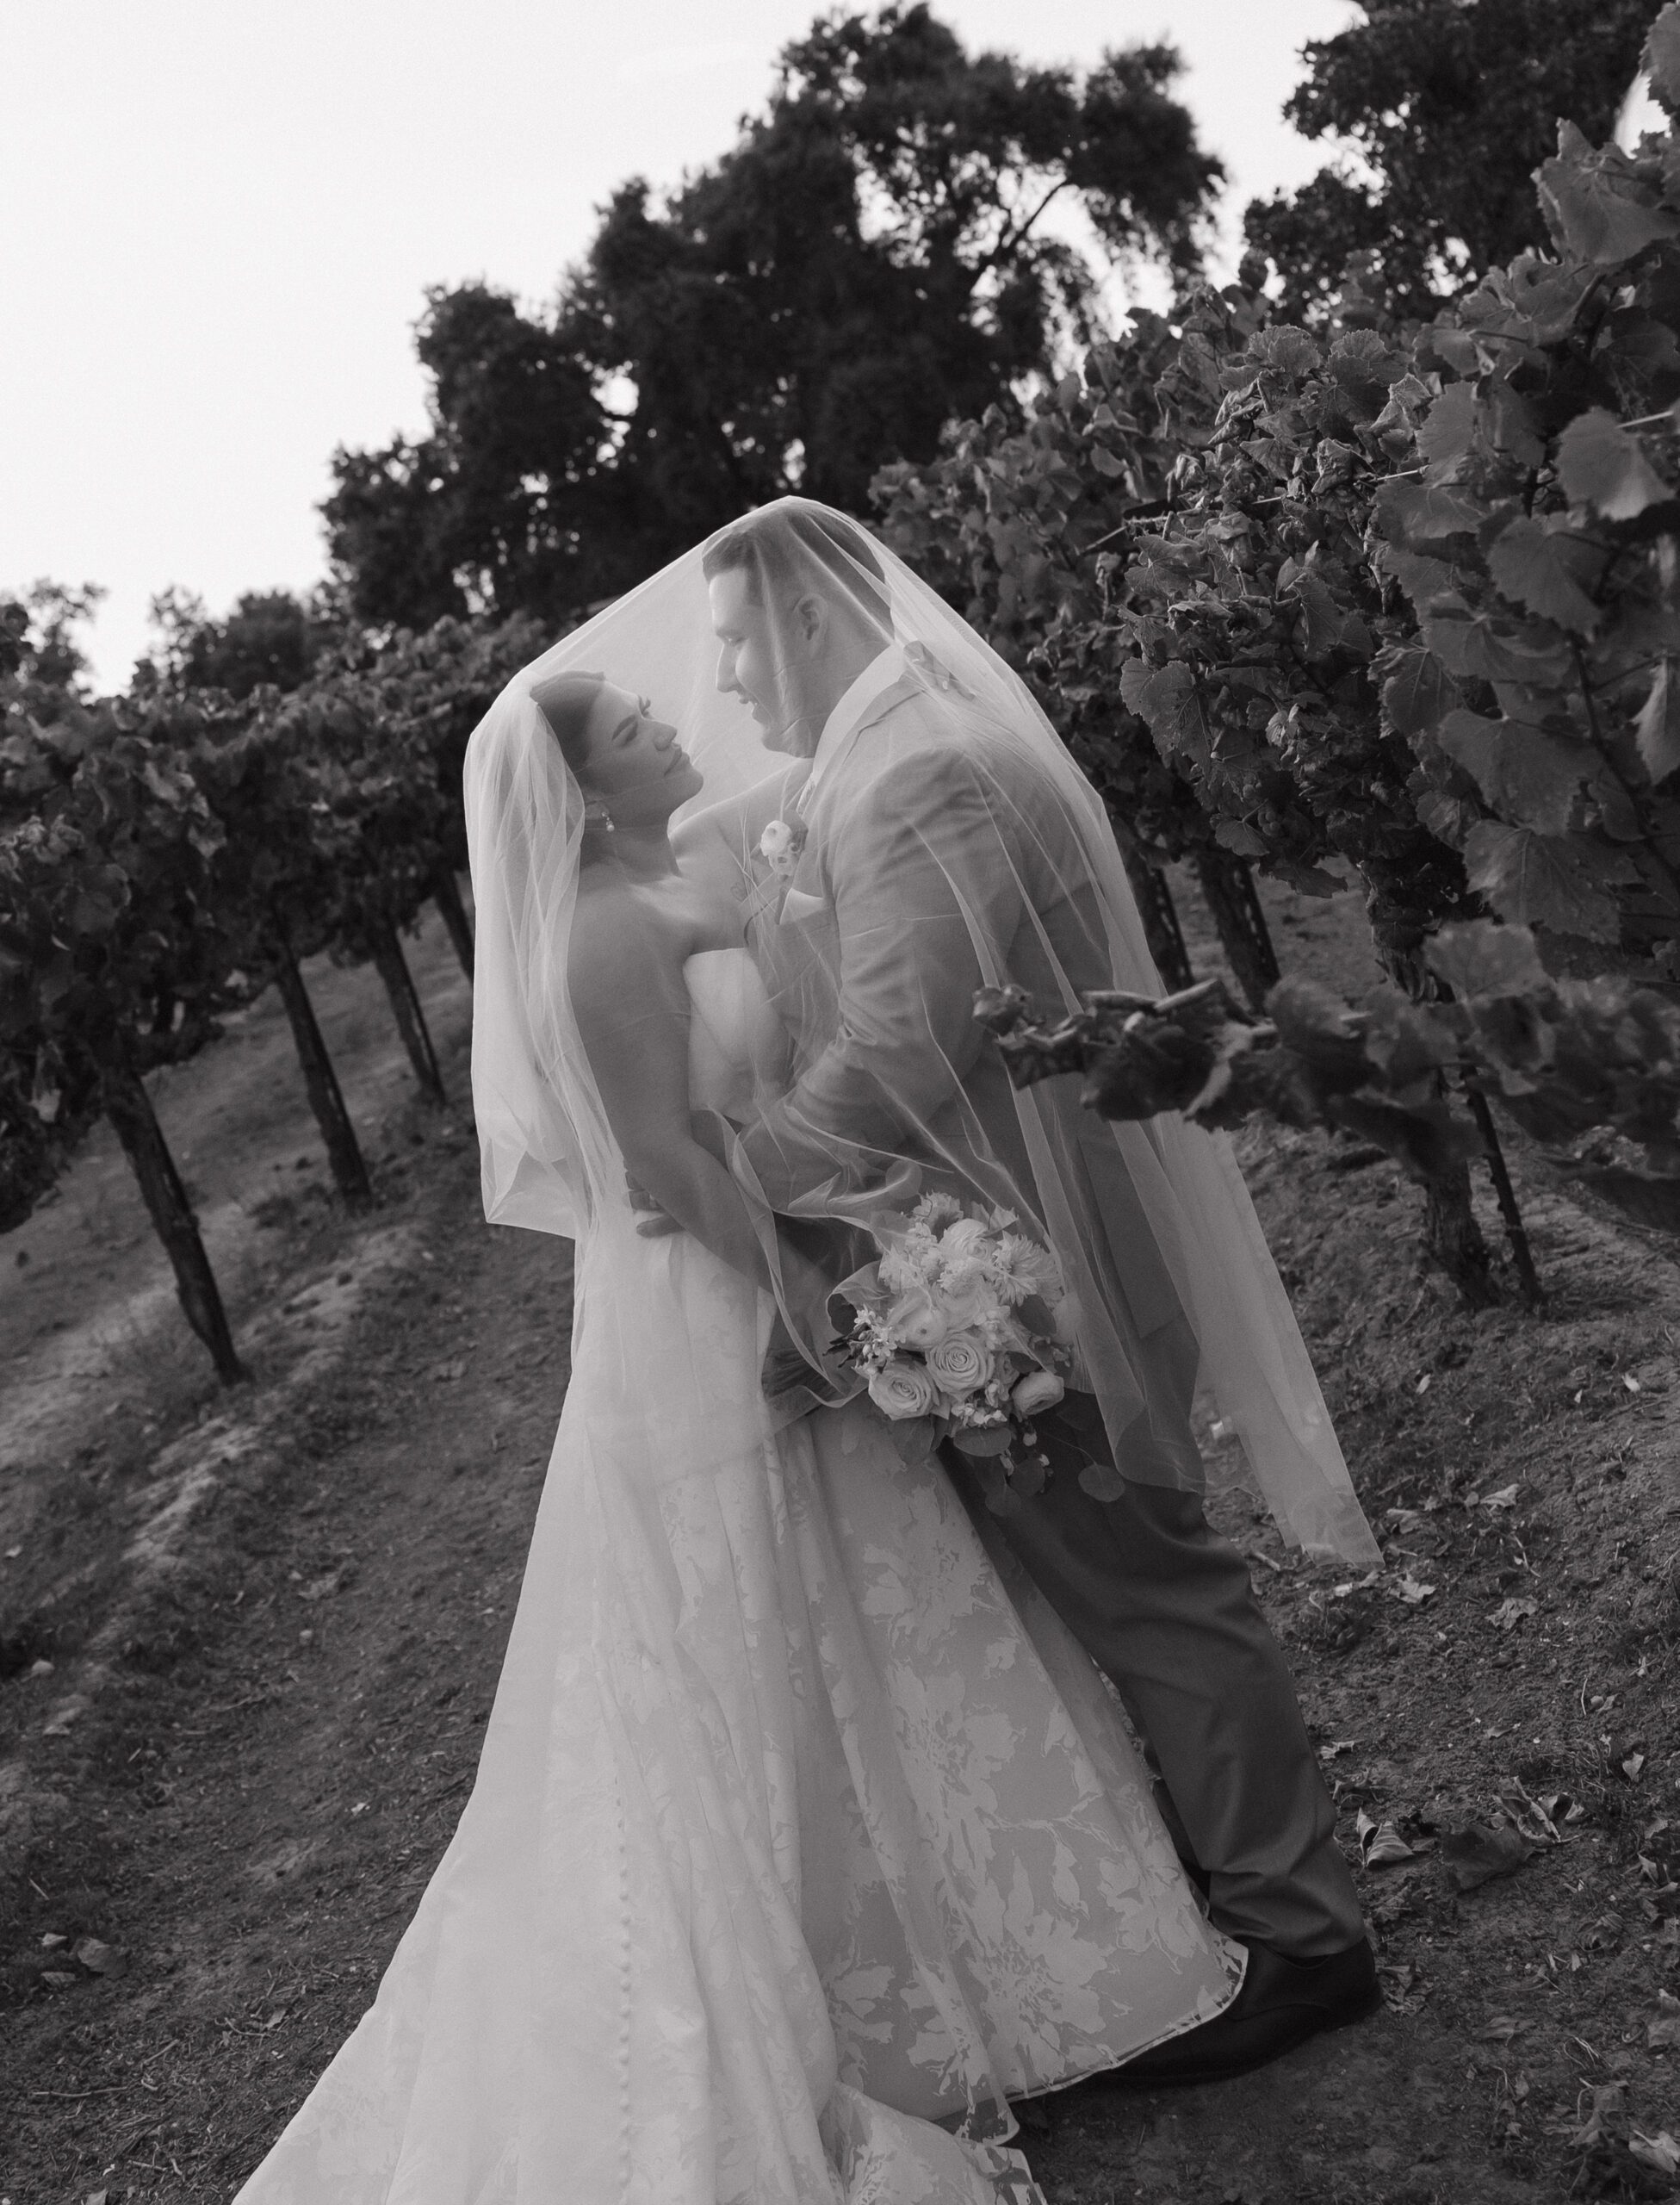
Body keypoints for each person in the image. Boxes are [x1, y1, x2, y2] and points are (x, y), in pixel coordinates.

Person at [229, 639, 1255, 2205]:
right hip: (715, 1305)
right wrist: (810, 1298)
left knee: (880, 1606)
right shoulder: (597, 939)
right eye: (637, 729)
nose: (669, 722)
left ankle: (992, 1959)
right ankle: (849, 2003)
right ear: (579, 803)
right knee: (766, 1627)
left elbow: (819, 808)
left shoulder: (689, 865)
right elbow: (664, 1164)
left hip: (796, 1253)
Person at [667, 500, 1383, 2086]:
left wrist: (739, 1172)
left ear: (796, 615)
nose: (727, 683)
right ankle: (1249, 1878)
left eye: (732, 640)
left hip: (1019, 1247)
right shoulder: (882, 746)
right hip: (1007, 1221)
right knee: (1120, 1568)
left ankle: (1306, 1932)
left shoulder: (914, 765)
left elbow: (905, 1047)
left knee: (1147, 1574)